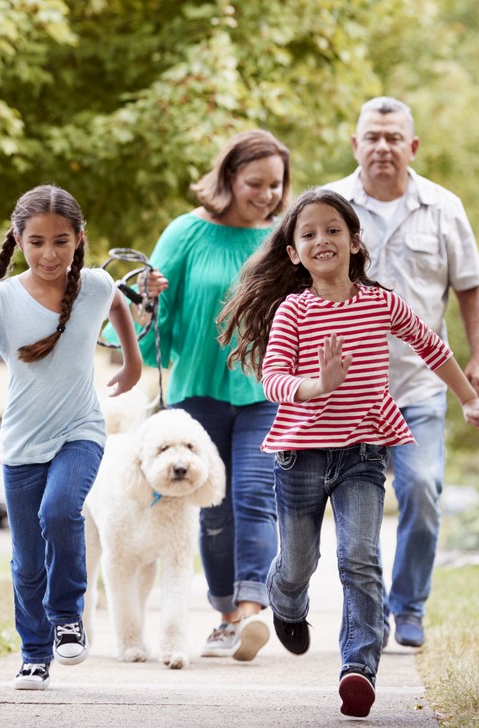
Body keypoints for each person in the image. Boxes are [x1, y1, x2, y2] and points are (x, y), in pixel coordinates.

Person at [218, 187, 479, 717]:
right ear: (293, 253)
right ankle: (287, 602)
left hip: (363, 453)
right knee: (298, 561)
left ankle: (358, 667)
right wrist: (315, 386)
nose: (322, 239)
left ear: (354, 241)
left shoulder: (380, 303)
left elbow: (431, 346)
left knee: (360, 557)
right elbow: (274, 378)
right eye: (309, 234)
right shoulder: (292, 312)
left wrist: (467, 399)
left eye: (333, 230)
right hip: (300, 454)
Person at [0, 184, 142, 690]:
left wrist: (132, 361)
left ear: (78, 238)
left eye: (61, 241)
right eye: (37, 241)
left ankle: (68, 617)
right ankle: (34, 654)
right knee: (25, 560)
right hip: (21, 443)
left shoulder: (95, 285)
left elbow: (119, 308)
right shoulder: (1, 298)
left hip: (80, 431)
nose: (49, 253)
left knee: (59, 512)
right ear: (18, 240)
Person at [325, 96, 479, 648]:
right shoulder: (330, 208)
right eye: (371, 136)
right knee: (355, 512)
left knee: (422, 489)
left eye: (393, 137)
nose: (382, 146)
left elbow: (469, 284)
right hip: (350, 392)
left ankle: (410, 605)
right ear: (355, 145)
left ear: (412, 146)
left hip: (422, 385)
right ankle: (368, 615)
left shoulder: (444, 207)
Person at [131, 129, 291, 662]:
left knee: (253, 496)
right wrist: (147, 302)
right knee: (214, 509)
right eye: (255, 182)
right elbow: (154, 324)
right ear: (228, 178)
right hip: (197, 390)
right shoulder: (185, 233)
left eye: (276, 184)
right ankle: (224, 613)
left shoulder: (280, 241)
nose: (267, 195)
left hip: (264, 390)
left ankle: (250, 611)